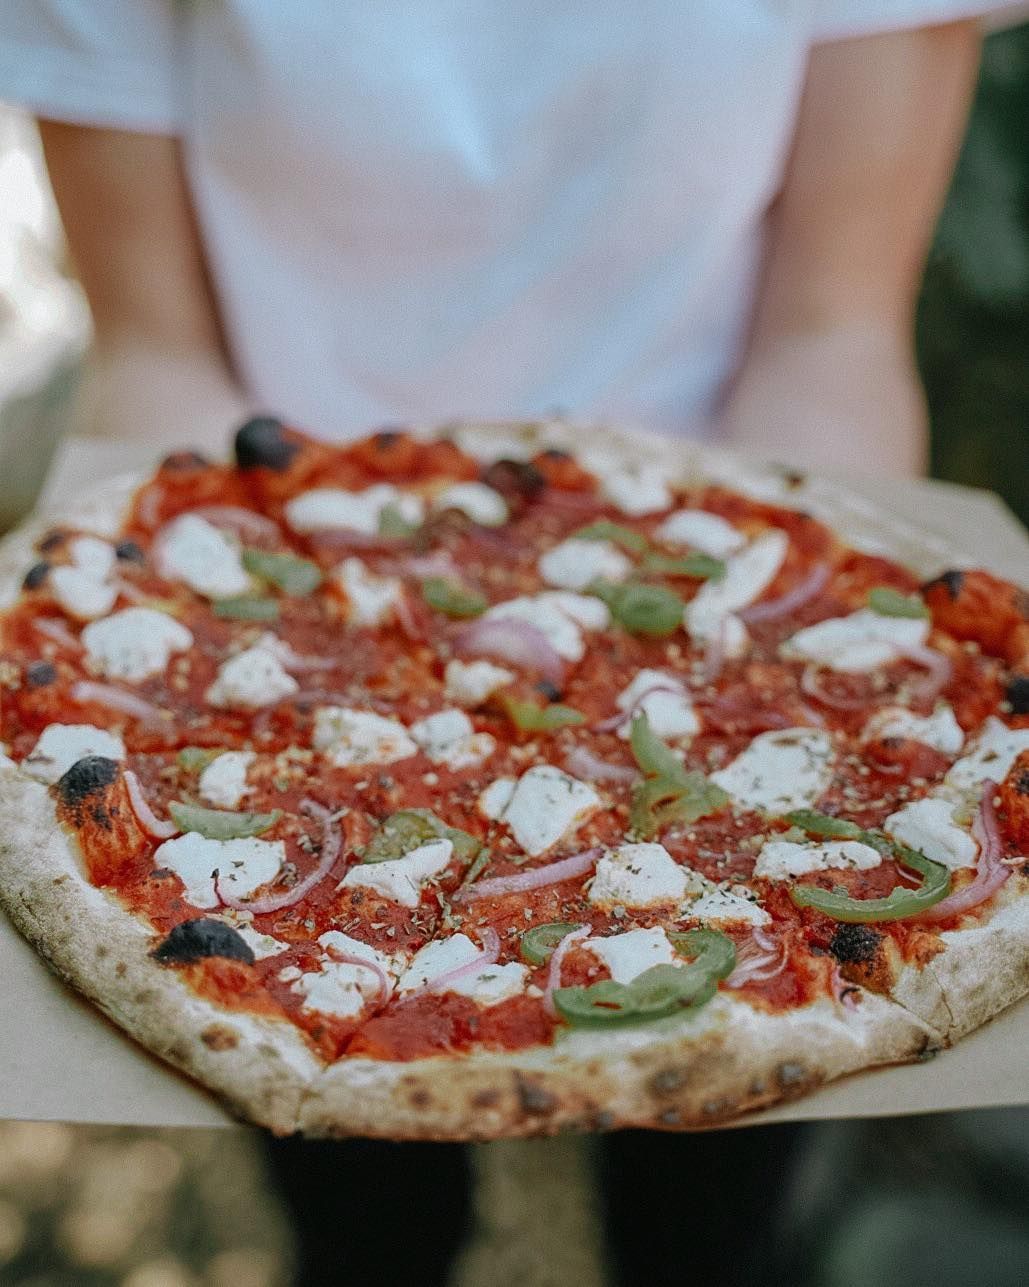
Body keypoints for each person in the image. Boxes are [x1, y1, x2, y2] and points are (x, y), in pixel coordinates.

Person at [1, 4, 1025, 1286]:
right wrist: (223, 647)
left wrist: (794, 682)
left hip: (722, 522)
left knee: (708, 1239)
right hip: (280, 554)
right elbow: (159, 354)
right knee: (366, 1234)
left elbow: (829, 335)